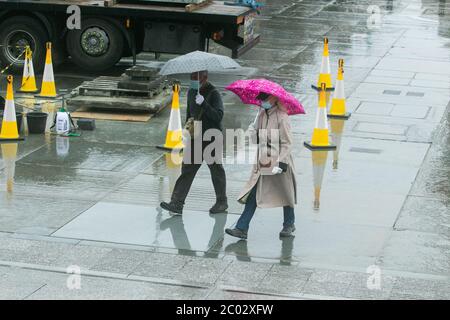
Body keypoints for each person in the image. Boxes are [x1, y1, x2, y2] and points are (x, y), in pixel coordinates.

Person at [225, 93, 297, 239]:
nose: (263, 101)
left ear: (275, 99)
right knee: (254, 192)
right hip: (264, 159)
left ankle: (289, 224)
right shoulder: (262, 114)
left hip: (279, 159)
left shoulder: (282, 117)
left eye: (266, 98)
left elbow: (287, 143)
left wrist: (281, 163)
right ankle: (242, 227)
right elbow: (254, 138)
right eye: (261, 98)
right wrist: (253, 128)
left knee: (285, 192)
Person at [160, 70, 228, 215]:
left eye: (196, 78)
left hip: (212, 136)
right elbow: (190, 115)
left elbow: (218, 116)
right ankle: (176, 203)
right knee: (187, 170)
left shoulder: (213, 93)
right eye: (191, 78)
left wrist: (204, 103)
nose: (193, 81)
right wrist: (185, 133)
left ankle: (222, 202)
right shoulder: (191, 91)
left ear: (205, 77)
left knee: (216, 171)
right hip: (195, 136)